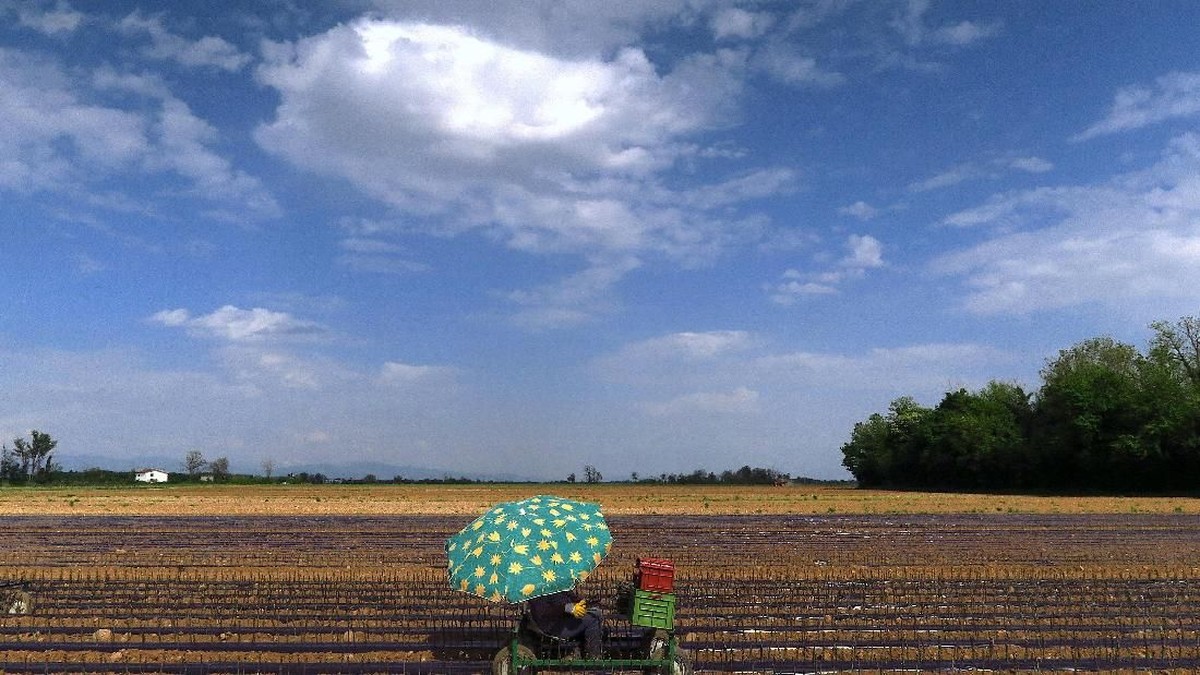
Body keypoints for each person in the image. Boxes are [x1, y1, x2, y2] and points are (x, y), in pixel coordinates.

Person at [527, 586, 603, 658]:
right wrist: (566, 608)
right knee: (593, 618)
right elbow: (544, 612)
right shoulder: (539, 590)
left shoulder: (559, 585)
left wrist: (582, 603)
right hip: (552, 626)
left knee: (595, 615)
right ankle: (593, 657)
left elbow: (573, 598)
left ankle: (582, 652)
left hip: (566, 620)